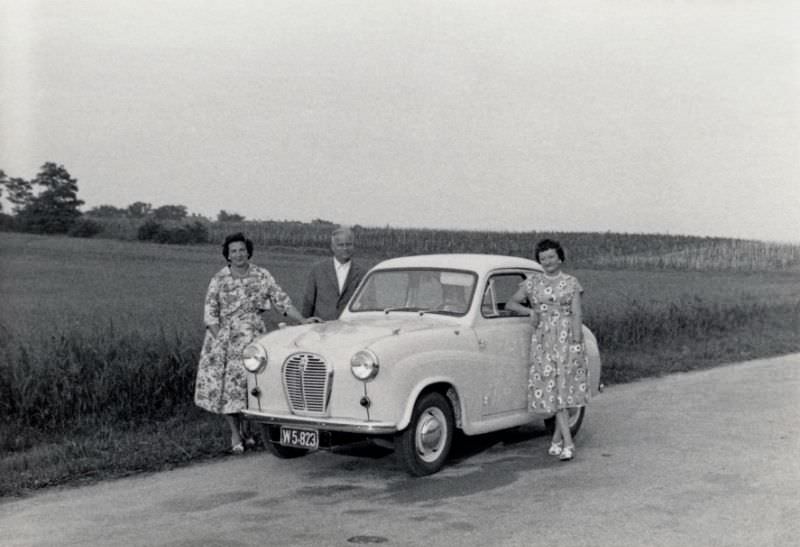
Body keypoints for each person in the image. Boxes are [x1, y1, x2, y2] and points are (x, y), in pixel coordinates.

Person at [195, 232, 317, 454]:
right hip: (225, 340)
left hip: (254, 339)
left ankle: (249, 430)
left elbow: (281, 301)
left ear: (248, 252)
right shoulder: (219, 279)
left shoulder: (262, 275)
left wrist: (302, 320)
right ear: (228, 256)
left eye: (242, 250)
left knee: (252, 385)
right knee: (228, 390)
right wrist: (221, 341)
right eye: (234, 251)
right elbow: (210, 315)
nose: (239, 254)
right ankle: (235, 433)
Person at [506, 238, 590, 461]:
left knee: (562, 390)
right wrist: (530, 312)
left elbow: (577, 314)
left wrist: (576, 342)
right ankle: (558, 440)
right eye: (543, 258)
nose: (548, 262)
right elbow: (511, 303)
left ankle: (567, 444)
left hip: (566, 339)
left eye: (551, 257)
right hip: (543, 339)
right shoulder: (532, 283)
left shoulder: (571, 283)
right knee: (552, 389)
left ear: (560, 258)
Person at [302, 225, 366, 321]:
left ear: (353, 246)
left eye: (348, 244)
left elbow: (367, 303)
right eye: (341, 245)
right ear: (333, 247)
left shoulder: (362, 273)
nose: (345, 248)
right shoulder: (318, 270)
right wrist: (305, 322)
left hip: (350, 328)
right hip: (321, 327)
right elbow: (308, 301)